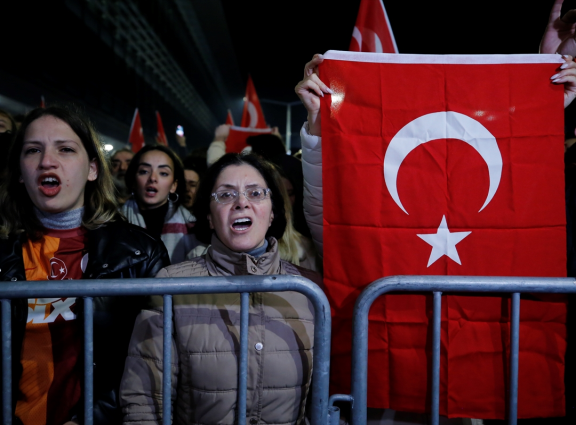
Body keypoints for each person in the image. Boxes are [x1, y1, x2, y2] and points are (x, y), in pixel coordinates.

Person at [295, 54, 576, 424]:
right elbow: (326, 212)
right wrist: (319, 126)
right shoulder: (369, 221)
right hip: (383, 404)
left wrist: (548, 108)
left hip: (478, 395)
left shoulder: (501, 221)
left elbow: (530, 195)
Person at [0, 106, 170, 425]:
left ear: (92, 169)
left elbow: (151, 365)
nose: (47, 161)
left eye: (65, 149)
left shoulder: (139, 252)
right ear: (20, 172)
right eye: (33, 150)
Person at [119, 153, 321, 425]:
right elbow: (143, 400)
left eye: (255, 193)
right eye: (226, 195)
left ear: (272, 212)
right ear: (210, 217)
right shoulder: (172, 286)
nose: (241, 203)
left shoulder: (308, 291)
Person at [120, 144, 199, 264]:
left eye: (163, 173)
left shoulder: (194, 228)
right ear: (133, 181)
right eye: (144, 171)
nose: (152, 178)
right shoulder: (112, 223)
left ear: (174, 185)